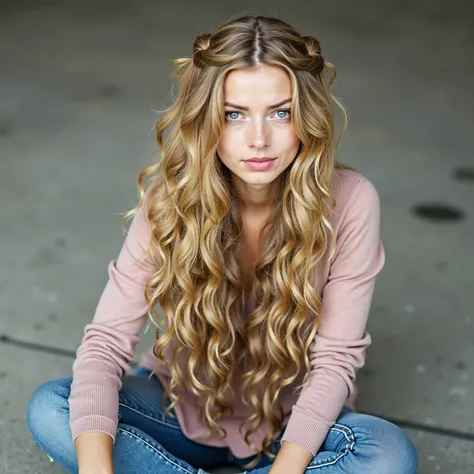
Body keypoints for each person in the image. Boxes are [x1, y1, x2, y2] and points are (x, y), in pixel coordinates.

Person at [26, 14, 418, 474]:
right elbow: (106, 344)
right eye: (234, 114)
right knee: (52, 407)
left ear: (306, 117)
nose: (258, 140)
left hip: (293, 429)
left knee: (386, 455)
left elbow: (334, 361)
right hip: (180, 411)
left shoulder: (350, 201)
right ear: (207, 119)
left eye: (280, 112)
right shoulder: (170, 202)